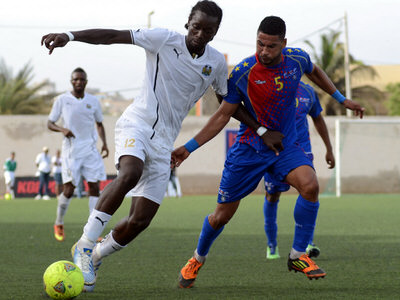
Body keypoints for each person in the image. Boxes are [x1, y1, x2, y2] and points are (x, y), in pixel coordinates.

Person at [41, 0, 228, 292]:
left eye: (208, 30)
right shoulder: (164, 40)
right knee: (129, 173)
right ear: (187, 24)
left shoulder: (216, 63)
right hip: (136, 125)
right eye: (196, 26)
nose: (200, 34)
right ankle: (86, 243)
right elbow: (112, 36)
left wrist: (260, 127)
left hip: (164, 142)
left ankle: (98, 253)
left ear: (215, 32)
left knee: (141, 220)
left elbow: (227, 103)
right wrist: (70, 35)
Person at [173, 16, 364, 288]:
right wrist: (188, 148)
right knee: (221, 216)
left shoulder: (297, 59)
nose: (264, 51)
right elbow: (222, 115)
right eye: (260, 44)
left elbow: (315, 71)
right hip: (249, 150)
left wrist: (342, 99)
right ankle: (197, 258)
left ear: (284, 44)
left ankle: (298, 254)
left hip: (284, 147)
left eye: (271, 46)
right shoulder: (243, 71)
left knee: (310, 185)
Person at [263, 81, 335, 260]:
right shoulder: (268, 86)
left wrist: (329, 148)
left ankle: (307, 243)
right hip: (276, 151)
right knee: (272, 196)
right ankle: (272, 245)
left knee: (308, 191)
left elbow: (318, 117)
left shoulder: (308, 91)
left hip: (302, 149)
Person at [47, 67, 109, 243]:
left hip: (90, 150)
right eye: (75, 79)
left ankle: (93, 230)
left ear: (86, 82)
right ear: (71, 81)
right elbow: (50, 123)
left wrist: (104, 143)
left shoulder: (93, 101)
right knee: (69, 189)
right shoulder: (62, 100)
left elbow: (100, 123)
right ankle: (59, 222)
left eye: (82, 79)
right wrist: (62, 129)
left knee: (95, 187)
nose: (78, 82)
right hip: (71, 151)